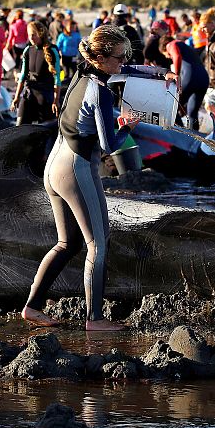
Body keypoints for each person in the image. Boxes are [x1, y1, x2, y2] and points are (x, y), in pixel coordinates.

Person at [21, 24, 177, 330]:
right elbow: (110, 145)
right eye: (119, 57)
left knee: (67, 243)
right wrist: (128, 126)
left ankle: (33, 307)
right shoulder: (101, 92)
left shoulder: (82, 73)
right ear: (102, 57)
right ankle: (95, 319)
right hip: (77, 169)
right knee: (98, 244)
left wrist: (159, 74)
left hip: (54, 167)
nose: (123, 62)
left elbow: (129, 69)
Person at [12, 20, 61, 125]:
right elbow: (23, 76)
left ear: (41, 33)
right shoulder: (27, 50)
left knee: (44, 130)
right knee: (19, 126)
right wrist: (16, 97)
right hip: (29, 93)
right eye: (29, 35)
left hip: (45, 95)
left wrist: (56, 100)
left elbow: (57, 79)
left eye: (34, 35)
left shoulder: (52, 50)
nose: (31, 38)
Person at [159, 34, 208, 131]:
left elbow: (177, 56)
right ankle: (194, 137)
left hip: (191, 78)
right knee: (192, 113)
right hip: (204, 79)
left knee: (171, 105)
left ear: (164, 48)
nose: (168, 57)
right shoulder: (185, 46)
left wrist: (175, 76)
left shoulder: (171, 44)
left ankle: (181, 134)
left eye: (166, 55)